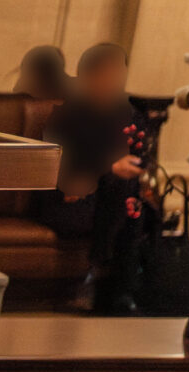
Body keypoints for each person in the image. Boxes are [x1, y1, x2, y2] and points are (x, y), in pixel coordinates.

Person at [42, 43, 151, 312]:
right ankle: (117, 286)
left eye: (117, 75)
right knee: (126, 200)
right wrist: (108, 169)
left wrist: (126, 172)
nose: (112, 82)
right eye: (105, 75)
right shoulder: (66, 116)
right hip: (68, 200)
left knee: (130, 198)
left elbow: (142, 157)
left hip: (111, 199)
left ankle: (106, 281)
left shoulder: (130, 115)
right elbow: (58, 168)